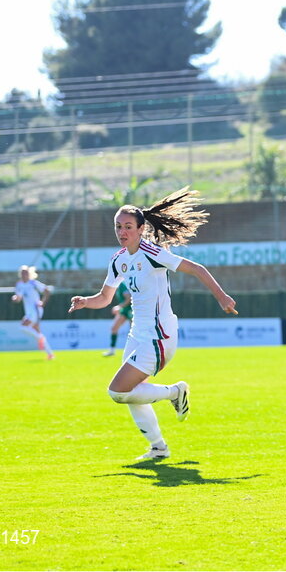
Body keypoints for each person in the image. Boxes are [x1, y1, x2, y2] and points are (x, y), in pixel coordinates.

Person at [68, 187, 237, 460]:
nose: (122, 232)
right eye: (118, 226)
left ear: (141, 228)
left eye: (128, 227)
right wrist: (86, 301)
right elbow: (105, 297)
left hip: (160, 336)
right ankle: (158, 447)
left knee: (118, 391)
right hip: (137, 335)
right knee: (130, 394)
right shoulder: (118, 260)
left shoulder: (151, 252)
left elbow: (197, 268)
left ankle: (174, 392)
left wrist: (222, 296)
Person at [11, 265, 56, 360]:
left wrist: (42, 302)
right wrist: (15, 298)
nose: (24, 275)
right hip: (29, 311)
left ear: (29, 274)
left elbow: (47, 290)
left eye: (26, 273)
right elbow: (18, 297)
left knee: (23, 327)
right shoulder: (19, 284)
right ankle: (50, 354)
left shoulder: (33, 283)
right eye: (22, 273)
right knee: (37, 331)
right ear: (20, 274)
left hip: (36, 309)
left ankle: (40, 338)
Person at [102, 281, 133, 356]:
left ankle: (134, 350)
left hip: (131, 309)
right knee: (114, 328)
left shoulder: (122, 284)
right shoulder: (117, 285)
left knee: (133, 331)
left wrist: (119, 307)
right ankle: (112, 350)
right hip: (124, 310)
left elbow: (128, 298)